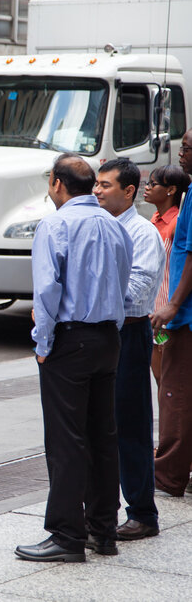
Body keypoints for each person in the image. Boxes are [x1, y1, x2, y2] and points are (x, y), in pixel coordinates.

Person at [15, 154, 132, 562]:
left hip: (71, 340)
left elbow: (47, 291)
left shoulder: (55, 225)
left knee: (66, 441)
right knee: (103, 436)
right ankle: (104, 530)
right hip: (107, 338)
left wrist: (42, 344)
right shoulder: (114, 225)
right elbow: (123, 284)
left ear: (57, 184)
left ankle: (67, 535)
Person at [94, 158, 164, 542]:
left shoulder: (141, 233)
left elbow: (136, 290)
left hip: (130, 333)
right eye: (97, 184)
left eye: (106, 185)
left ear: (129, 191)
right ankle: (102, 509)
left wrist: (92, 295)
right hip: (100, 332)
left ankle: (142, 513)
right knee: (100, 424)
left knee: (131, 425)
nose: (97, 191)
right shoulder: (98, 225)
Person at [150, 128, 192, 498]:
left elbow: (190, 255)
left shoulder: (183, 210)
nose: (181, 151)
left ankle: (168, 473)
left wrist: (173, 305)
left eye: (188, 148)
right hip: (174, 313)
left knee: (174, 394)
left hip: (180, 315)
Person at [145, 165, 189, 386]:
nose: (146, 187)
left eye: (152, 184)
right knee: (159, 376)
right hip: (154, 312)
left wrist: (172, 306)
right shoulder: (154, 219)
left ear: (171, 190)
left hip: (168, 312)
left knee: (167, 378)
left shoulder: (176, 223)